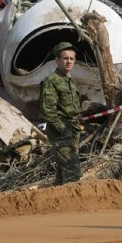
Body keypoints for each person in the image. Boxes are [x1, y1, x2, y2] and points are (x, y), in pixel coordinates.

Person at [40, 42, 82, 185]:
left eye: (71, 58)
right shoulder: (52, 81)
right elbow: (48, 110)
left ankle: (59, 202)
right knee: (72, 171)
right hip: (62, 131)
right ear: (57, 60)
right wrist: (62, 129)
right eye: (65, 58)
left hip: (72, 129)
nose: (69, 61)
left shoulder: (68, 80)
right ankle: (73, 204)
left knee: (63, 171)